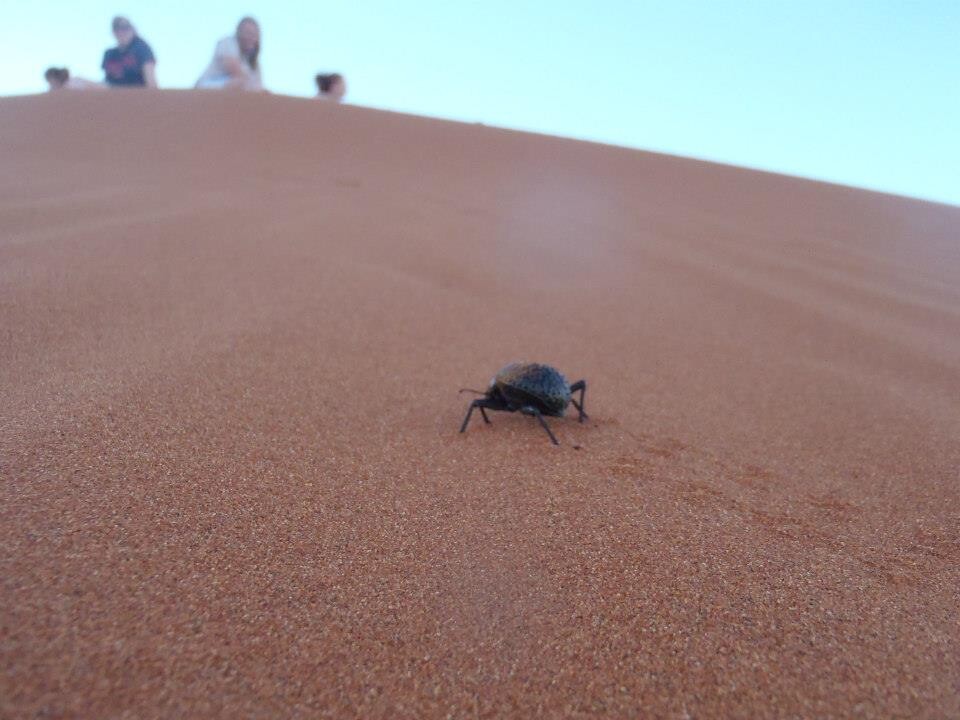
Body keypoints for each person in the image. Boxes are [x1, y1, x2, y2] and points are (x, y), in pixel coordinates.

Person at [195, 17, 263, 91]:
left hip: (231, 92)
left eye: (254, 34)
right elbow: (236, 72)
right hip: (207, 88)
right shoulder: (227, 43)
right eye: (247, 32)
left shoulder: (251, 61)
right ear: (239, 32)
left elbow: (258, 87)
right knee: (241, 83)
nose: (250, 37)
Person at [101, 16, 157, 87]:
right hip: (112, 93)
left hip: (137, 93)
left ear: (132, 30)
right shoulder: (109, 54)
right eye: (117, 29)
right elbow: (106, 81)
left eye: (125, 28)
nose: (121, 32)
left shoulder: (141, 48)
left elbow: (151, 80)